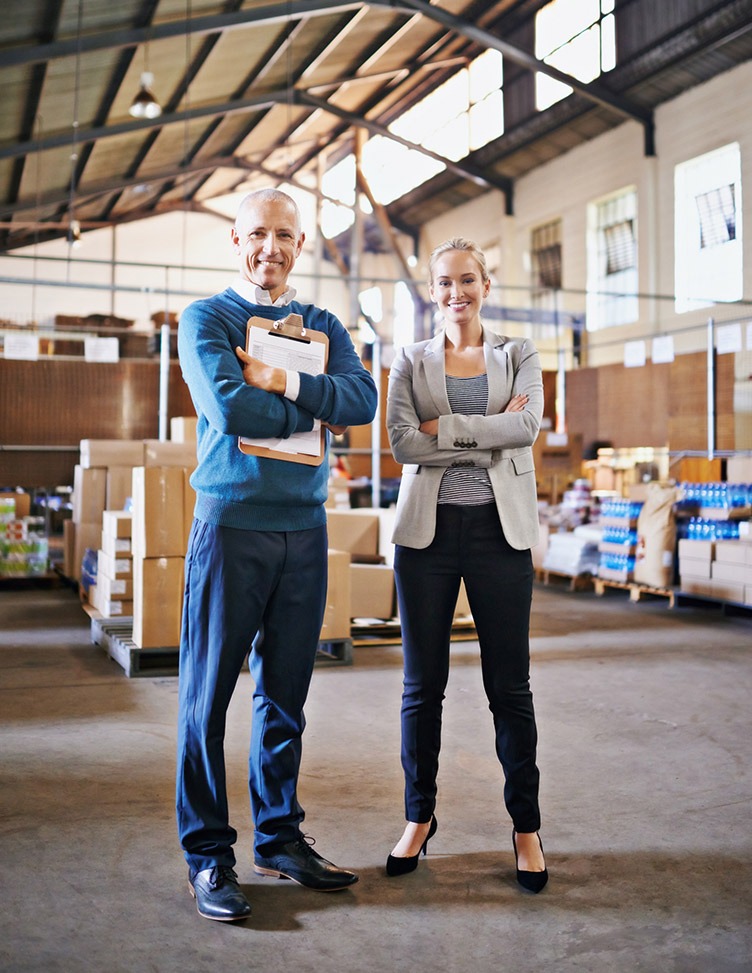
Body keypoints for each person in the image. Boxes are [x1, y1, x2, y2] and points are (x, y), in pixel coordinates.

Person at [176, 188, 378, 921]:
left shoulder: (323, 325)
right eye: (258, 233)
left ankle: (279, 837)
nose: (271, 246)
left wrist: (285, 382)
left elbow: (361, 402)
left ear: (302, 243)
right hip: (232, 525)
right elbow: (230, 408)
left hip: (304, 528)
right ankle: (208, 856)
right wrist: (313, 403)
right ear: (235, 239)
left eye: (285, 235)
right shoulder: (206, 318)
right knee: (206, 699)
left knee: (285, 697)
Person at [385, 237, 548, 893]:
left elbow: (529, 424)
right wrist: (485, 428)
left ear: (486, 282)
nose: (457, 292)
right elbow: (401, 443)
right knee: (422, 686)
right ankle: (417, 819)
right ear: (433, 290)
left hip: (499, 534)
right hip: (426, 537)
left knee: (509, 686)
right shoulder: (409, 359)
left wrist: (445, 431)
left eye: (468, 280)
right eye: (445, 282)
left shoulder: (519, 354)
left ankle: (527, 828)